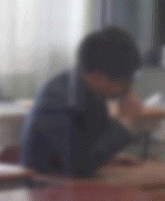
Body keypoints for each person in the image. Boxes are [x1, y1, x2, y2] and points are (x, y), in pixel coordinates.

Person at [21, 27, 144, 177]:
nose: (129, 89)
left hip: (74, 183)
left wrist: (109, 158)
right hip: (45, 186)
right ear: (97, 76)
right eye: (125, 82)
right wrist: (125, 122)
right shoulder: (57, 99)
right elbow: (77, 165)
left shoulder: (93, 92)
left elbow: (92, 149)